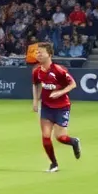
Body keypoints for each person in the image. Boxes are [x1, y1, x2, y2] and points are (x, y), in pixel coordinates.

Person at [31, 42, 81, 172]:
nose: (38, 55)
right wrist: (35, 101)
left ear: (49, 54)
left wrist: (60, 92)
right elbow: (36, 85)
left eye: (41, 52)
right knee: (46, 136)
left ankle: (74, 142)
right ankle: (54, 164)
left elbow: (73, 84)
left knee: (61, 138)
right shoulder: (36, 71)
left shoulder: (59, 70)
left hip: (62, 107)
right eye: (37, 52)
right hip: (46, 107)